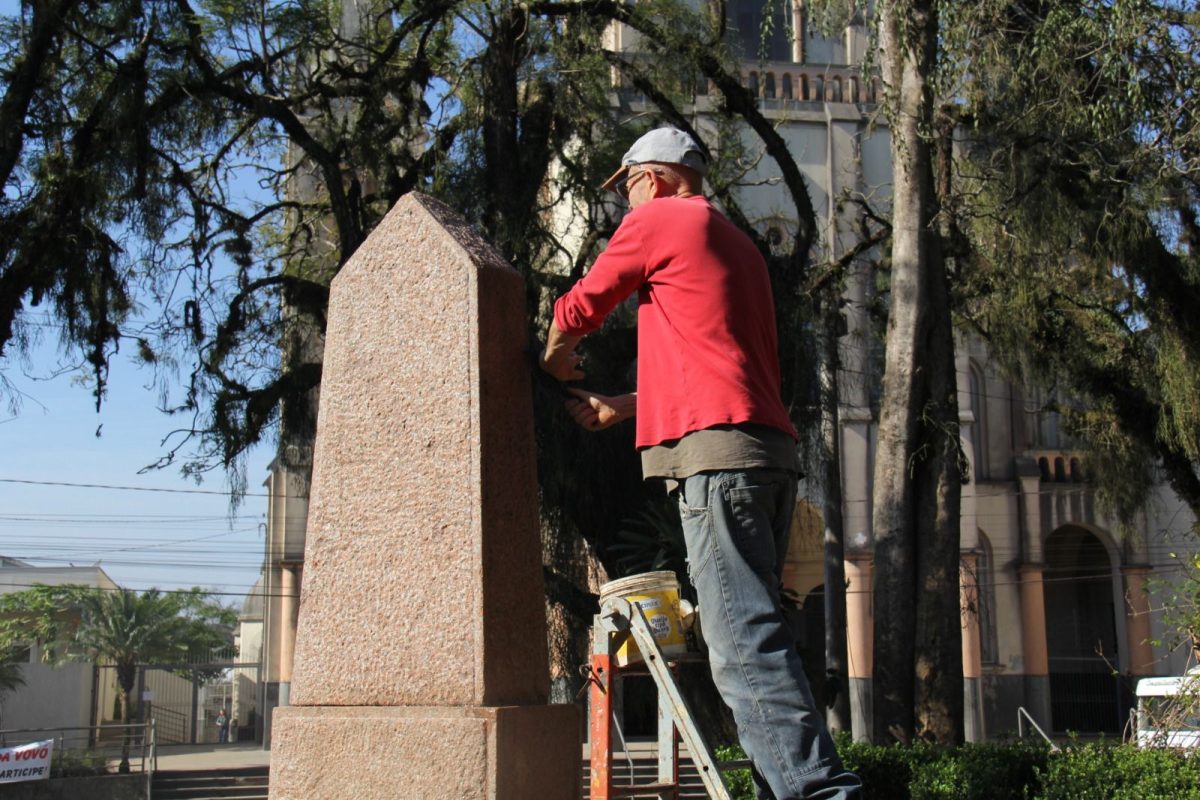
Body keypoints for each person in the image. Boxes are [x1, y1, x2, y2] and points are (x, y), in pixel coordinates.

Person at [541, 127, 862, 800]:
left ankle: (821, 795)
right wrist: (624, 407)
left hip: (718, 466)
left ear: (652, 179)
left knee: (742, 647)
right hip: (764, 456)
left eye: (625, 187)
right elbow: (720, 364)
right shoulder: (733, 242)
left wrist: (554, 356)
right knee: (764, 640)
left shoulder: (660, 217)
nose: (625, 205)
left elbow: (583, 302)